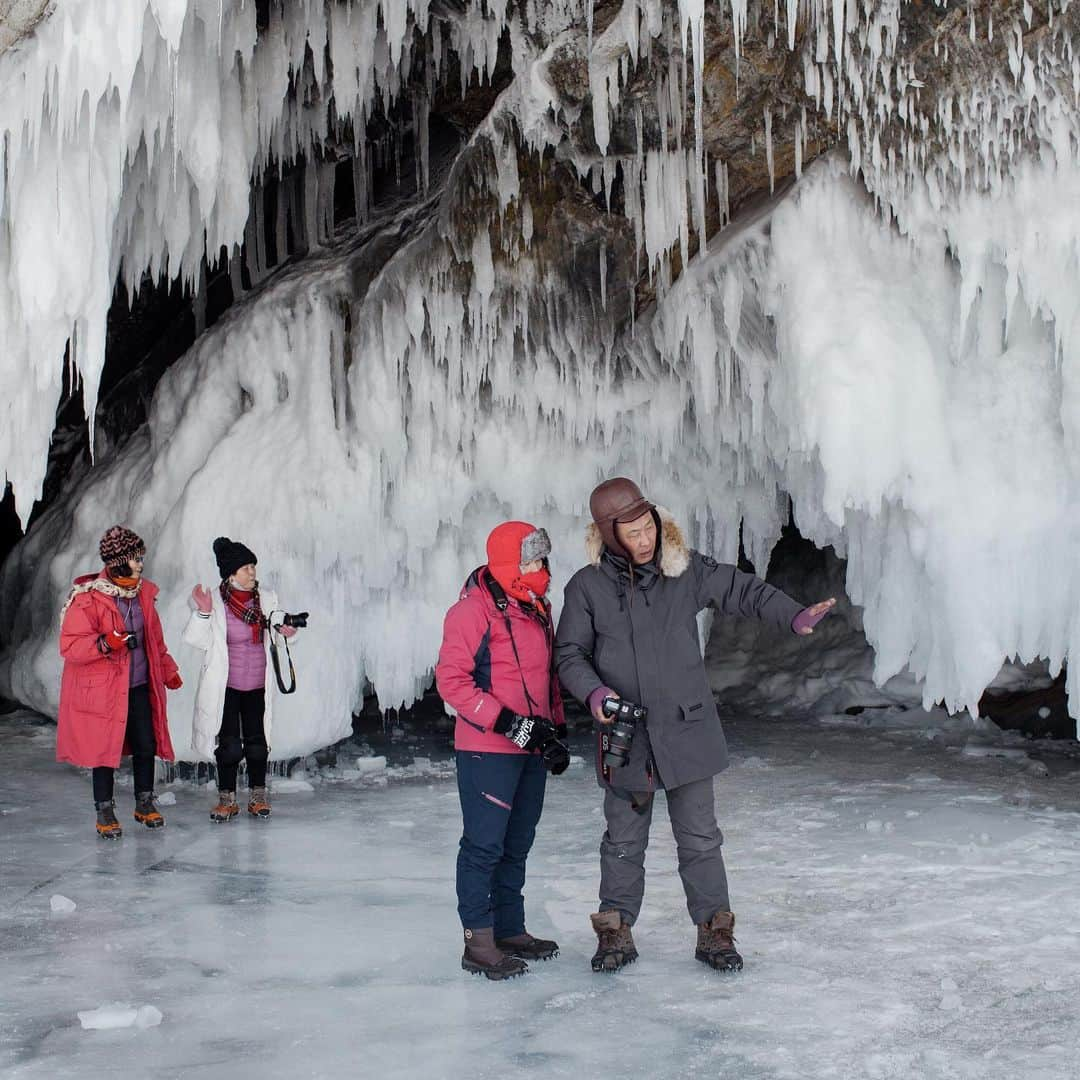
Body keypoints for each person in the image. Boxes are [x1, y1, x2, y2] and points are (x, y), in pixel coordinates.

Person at [555, 478, 835, 974]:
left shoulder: (683, 571)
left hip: (687, 731)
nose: (645, 541)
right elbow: (570, 654)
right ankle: (616, 932)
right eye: (633, 533)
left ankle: (714, 932)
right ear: (609, 535)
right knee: (622, 841)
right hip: (627, 738)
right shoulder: (587, 588)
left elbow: (741, 589)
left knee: (701, 838)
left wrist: (793, 616)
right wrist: (596, 694)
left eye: (649, 528)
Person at [435, 521, 571, 981]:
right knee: (484, 845)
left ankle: (510, 930)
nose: (540, 569)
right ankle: (479, 942)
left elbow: (546, 676)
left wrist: (553, 731)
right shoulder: (471, 613)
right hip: (487, 750)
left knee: (517, 844)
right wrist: (511, 725)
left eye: (541, 560)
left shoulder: (538, 608)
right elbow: (452, 681)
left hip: (530, 746)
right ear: (508, 564)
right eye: (529, 561)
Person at [57, 525, 183, 839]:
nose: (141, 563)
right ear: (119, 561)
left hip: (139, 684)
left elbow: (155, 641)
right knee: (104, 748)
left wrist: (167, 670)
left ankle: (144, 802)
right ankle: (105, 810)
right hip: (105, 689)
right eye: (137, 558)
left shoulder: (144, 594)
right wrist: (105, 643)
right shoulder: (88, 599)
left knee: (146, 744)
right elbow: (70, 646)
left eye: (141, 557)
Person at [183, 537, 299, 823]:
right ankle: (227, 799)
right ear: (231, 573)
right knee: (230, 744)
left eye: (253, 567)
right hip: (227, 686)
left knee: (258, 742)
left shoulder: (267, 599)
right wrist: (203, 612)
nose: (252, 572)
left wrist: (288, 630)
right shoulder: (214, 600)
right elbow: (196, 640)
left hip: (258, 684)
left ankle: (258, 796)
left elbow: (277, 630)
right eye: (247, 567)